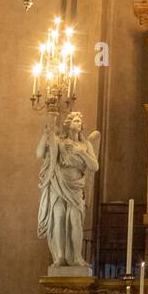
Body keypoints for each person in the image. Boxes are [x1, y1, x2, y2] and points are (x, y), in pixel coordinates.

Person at [36, 112, 101, 269]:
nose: (79, 123)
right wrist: (46, 134)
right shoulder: (59, 141)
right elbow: (39, 154)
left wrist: (81, 153)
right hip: (58, 184)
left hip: (76, 186)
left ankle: (77, 257)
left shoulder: (86, 145)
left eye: (80, 121)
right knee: (58, 217)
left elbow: (94, 166)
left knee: (75, 220)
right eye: (76, 120)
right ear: (68, 123)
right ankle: (60, 257)